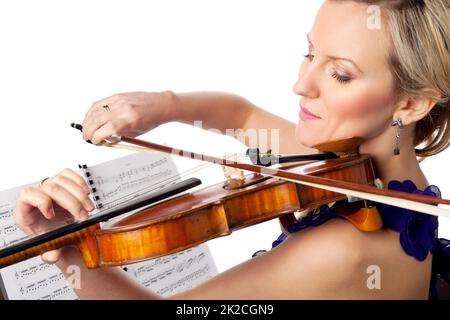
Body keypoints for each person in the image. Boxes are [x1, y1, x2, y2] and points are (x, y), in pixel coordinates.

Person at [13, 0, 450, 299]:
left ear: (411, 104)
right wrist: (164, 104)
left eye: (339, 74)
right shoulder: (373, 170)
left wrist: (69, 251)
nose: (301, 84)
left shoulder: (344, 251)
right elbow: (240, 117)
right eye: (309, 52)